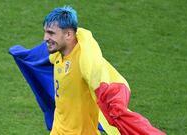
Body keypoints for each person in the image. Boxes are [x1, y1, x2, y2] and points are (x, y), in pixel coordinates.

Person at [10, 5, 166, 135]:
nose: (45, 38)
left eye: (51, 33)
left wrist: (116, 108)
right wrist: (24, 56)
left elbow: (105, 84)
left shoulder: (86, 61)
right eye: (45, 32)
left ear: (69, 34)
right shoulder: (57, 55)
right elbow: (40, 57)